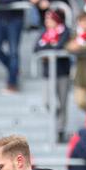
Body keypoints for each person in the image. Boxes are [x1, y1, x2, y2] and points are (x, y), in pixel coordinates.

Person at [35, 9, 71, 142]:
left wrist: (48, 49)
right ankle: (55, 120)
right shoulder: (44, 33)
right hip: (47, 73)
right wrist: (50, 47)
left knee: (63, 102)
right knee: (47, 101)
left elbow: (60, 47)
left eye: (50, 19)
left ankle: (60, 129)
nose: (47, 22)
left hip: (62, 72)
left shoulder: (65, 31)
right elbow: (36, 48)